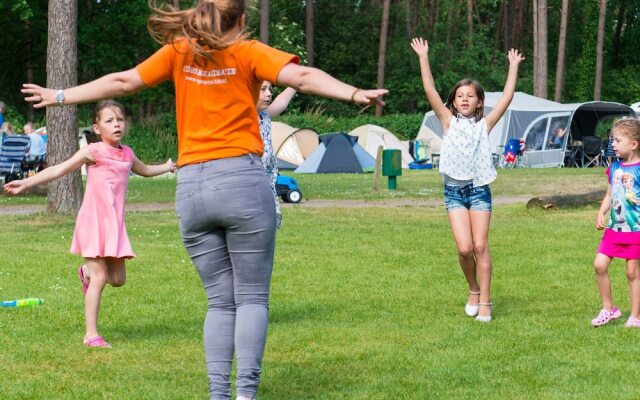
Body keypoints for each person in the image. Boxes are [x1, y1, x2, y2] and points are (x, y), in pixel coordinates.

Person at [21, 1, 387, 398]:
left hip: (193, 189)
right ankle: (244, 394)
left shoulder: (180, 51)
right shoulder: (248, 51)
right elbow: (300, 76)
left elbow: (124, 82)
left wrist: (58, 95)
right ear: (242, 21)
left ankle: (218, 394)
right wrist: (353, 93)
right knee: (250, 299)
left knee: (219, 301)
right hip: (241, 183)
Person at [4, 100, 176, 347]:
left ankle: (84, 273)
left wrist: (168, 166)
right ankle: (91, 334)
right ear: (97, 128)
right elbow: (58, 170)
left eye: (120, 119)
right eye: (109, 120)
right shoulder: (92, 152)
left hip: (114, 226)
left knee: (117, 279)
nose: (116, 124)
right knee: (100, 278)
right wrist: (26, 183)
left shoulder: (127, 154)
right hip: (93, 223)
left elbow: (146, 170)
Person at [411, 37, 524, 322]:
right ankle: (473, 289)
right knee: (464, 249)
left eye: (470, 96)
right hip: (453, 192)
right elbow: (429, 89)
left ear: (479, 102)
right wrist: (424, 56)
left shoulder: (484, 125)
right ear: (452, 102)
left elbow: (508, 97)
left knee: (480, 246)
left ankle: (485, 302)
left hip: (479, 192)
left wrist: (513, 66)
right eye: (459, 95)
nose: (464, 98)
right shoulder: (447, 122)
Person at [592, 118, 640, 328]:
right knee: (599, 265)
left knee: (632, 273)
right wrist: (602, 212)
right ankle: (609, 309)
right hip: (614, 229)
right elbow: (610, 194)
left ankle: (635, 316)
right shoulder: (613, 168)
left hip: (636, 231)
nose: (613, 144)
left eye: (618, 141)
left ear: (633, 144)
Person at [257, 82, 297, 228]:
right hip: (248, 189)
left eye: (270, 89)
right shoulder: (241, 118)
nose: (269, 93)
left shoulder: (264, 116)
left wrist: (296, 82)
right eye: (263, 89)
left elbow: (282, 101)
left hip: (267, 188)